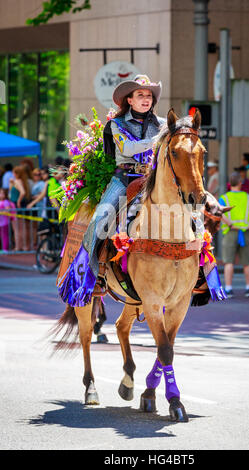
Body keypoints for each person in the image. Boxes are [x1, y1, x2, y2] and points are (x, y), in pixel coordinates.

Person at [59, 74, 164, 307]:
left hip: (153, 179)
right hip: (123, 178)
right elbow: (127, 147)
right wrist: (160, 140)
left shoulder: (163, 123)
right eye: (140, 95)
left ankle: (199, 273)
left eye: (149, 95)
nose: (146, 99)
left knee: (192, 212)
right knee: (99, 220)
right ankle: (89, 275)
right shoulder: (116, 124)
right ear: (129, 100)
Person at [219, 172, 249, 298]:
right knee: (247, 262)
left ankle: (229, 289)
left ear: (229, 183)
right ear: (240, 183)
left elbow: (219, 213)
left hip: (230, 232)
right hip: (245, 232)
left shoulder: (224, 198)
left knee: (228, 262)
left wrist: (230, 224)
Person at [9, 165, 31, 251]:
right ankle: (24, 246)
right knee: (22, 227)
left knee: (17, 228)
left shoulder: (18, 181)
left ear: (16, 173)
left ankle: (19, 246)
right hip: (17, 205)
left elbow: (23, 192)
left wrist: (18, 201)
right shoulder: (20, 181)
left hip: (16, 205)